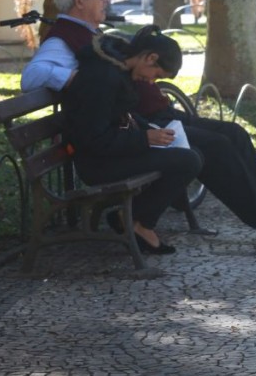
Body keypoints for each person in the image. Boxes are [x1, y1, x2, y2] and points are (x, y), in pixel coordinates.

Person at [21, 0, 256, 239]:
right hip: (141, 124)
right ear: (80, 0)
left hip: (154, 114)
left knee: (233, 133)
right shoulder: (61, 40)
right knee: (216, 145)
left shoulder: (88, 33)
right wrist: (74, 79)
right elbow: (32, 76)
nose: (106, 0)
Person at [61, 26, 201, 254]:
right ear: (150, 57)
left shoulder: (117, 70)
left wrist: (149, 131)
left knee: (191, 156)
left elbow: (118, 118)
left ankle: (135, 220)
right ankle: (136, 221)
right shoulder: (102, 78)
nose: (150, 81)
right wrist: (145, 138)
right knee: (188, 161)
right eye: (155, 75)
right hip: (97, 163)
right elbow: (95, 139)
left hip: (111, 153)